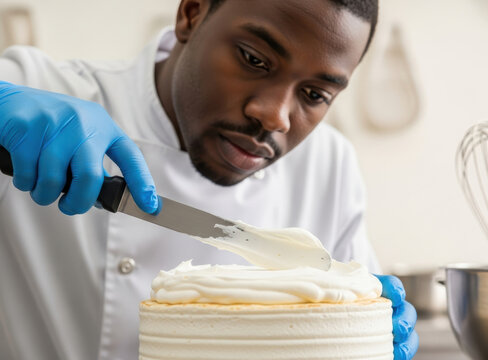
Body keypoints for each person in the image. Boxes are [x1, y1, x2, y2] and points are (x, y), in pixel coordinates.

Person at [0, 0, 418, 359]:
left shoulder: (328, 164)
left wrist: (367, 331)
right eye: (254, 59)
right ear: (190, 14)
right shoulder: (42, 90)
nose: (274, 116)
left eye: (314, 95)